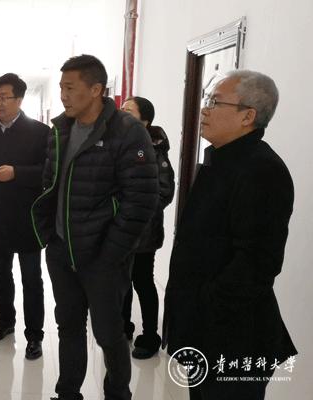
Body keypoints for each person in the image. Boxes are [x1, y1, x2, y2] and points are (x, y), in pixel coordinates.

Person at [163, 70, 297, 400]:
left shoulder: (261, 170)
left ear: (248, 116)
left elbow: (258, 262)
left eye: (214, 101)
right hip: (206, 331)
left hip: (233, 336)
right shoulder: (222, 160)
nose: (204, 109)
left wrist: (206, 305)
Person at [31, 54, 159, 400]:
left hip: (103, 255)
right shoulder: (60, 129)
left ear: (96, 89)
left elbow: (142, 200)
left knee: (108, 333)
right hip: (62, 251)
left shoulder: (127, 131)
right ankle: (67, 393)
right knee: (68, 327)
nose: (63, 95)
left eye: (70, 88)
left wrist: (111, 253)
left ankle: (117, 394)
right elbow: (49, 182)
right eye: (61, 88)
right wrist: (50, 236)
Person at [0, 73, 49, 359]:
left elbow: (48, 173)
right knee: (1, 275)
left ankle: (35, 335)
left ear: (19, 99)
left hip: (26, 219)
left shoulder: (40, 132)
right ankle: (5, 322)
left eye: (4, 97)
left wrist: (17, 173)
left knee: (31, 279)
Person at [120, 96, 175, 359]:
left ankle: (151, 335)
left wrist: (135, 212)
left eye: (128, 111)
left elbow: (164, 192)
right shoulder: (119, 143)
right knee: (122, 280)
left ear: (145, 121)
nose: (122, 114)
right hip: (119, 229)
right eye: (122, 109)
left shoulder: (155, 151)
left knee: (142, 281)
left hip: (143, 232)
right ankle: (123, 327)